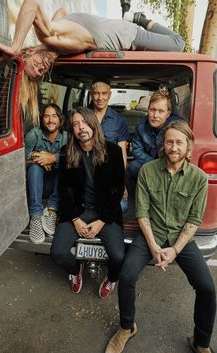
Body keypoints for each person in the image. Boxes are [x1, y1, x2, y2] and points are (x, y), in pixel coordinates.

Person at [105, 120, 216, 353]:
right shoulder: (148, 170)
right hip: (150, 235)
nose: (173, 147)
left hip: (180, 239)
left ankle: (201, 341)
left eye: (178, 142)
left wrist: (175, 249)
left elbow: (194, 220)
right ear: (162, 145)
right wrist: (154, 247)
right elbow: (142, 213)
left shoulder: (198, 178)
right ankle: (127, 327)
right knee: (126, 276)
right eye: (169, 142)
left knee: (207, 288)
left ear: (189, 146)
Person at [0, 0, 185, 81]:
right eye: (41, 72)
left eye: (36, 65)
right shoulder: (58, 41)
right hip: (125, 38)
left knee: (178, 44)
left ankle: (140, 18)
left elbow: (32, 4)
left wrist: (14, 47)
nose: (42, 67)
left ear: (30, 51)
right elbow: (61, 11)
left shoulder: (51, 37)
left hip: (131, 34)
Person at [50, 107, 125, 298]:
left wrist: (101, 222)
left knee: (118, 257)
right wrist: (75, 219)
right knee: (57, 252)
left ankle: (112, 278)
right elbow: (64, 189)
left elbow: (117, 191)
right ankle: (75, 271)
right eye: (75, 124)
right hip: (77, 211)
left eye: (84, 122)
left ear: (93, 124)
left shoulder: (114, 151)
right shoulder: (67, 153)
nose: (80, 127)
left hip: (105, 213)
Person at [25, 103, 67, 244]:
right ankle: (36, 217)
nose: (50, 120)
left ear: (60, 119)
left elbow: (75, 158)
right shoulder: (34, 135)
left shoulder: (67, 137)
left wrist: (53, 158)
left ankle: (51, 210)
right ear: (42, 119)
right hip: (37, 186)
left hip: (58, 188)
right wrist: (39, 158)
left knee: (66, 164)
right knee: (35, 167)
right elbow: (19, 159)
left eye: (54, 116)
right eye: (47, 116)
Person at [90, 79, 129, 212]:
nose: (100, 98)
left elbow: (122, 154)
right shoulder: (83, 116)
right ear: (91, 95)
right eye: (96, 93)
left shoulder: (119, 121)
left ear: (109, 95)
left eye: (104, 93)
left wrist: (121, 183)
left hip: (110, 172)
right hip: (87, 169)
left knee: (122, 206)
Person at [129, 90, 181, 182]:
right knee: (134, 166)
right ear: (148, 109)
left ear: (168, 114)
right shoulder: (141, 125)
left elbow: (179, 153)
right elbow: (137, 151)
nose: (155, 115)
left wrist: (164, 166)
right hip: (149, 164)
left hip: (170, 166)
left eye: (161, 111)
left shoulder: (177, 126)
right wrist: (155, 165)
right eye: (152, 110)